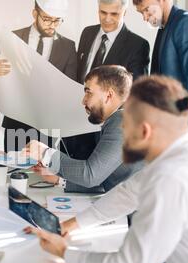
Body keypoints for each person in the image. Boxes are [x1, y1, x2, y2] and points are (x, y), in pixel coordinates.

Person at [27, 75, 188, 263]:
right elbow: (129, 192)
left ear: (144, 132)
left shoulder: (172, 179)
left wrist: (64, 252)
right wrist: (71, 224)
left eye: (125, 126)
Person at [23, 66, 142, 193]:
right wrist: (58, 180)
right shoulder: (119, 120)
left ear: (108, 95)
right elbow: (102, 182)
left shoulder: (122, 121)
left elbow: (90, 175)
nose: (83, 101)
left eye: (88, 92)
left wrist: (45, 153)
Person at [0, 0, 77, 153]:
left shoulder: (68, 46)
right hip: (16, 121)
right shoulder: (13, 38)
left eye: (57, 20)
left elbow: (69, 86)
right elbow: (0, 81)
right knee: (14, 169)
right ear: (35, 13)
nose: (52, 25)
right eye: (47, 19)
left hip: (49, 124)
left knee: (45, 172)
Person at [69, 0, 150, 160]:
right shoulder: (87, 33)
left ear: (124, 13)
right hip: (76, 125)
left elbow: (134, 93)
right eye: (102, 13)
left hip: (106, 131)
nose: (107, 19)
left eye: (114, 14)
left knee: (95, 178)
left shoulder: (138, 45)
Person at [133, 0, 188, 134]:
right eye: (141, 13)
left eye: (147, 10)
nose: (145, 18)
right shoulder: (165, 27)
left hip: (187, 125)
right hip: (171, 122)